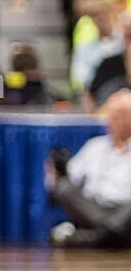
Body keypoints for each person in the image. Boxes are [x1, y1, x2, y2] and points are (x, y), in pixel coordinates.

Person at [48, 90, 131, 247]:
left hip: (126, 211)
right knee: (64, 188)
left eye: (120, 116)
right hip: (93, 208)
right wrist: (57, 171)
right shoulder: (95, 146)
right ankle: (109, 235)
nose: (113, 121)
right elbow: (69, 178)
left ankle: (95, 238)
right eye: (111, 115)